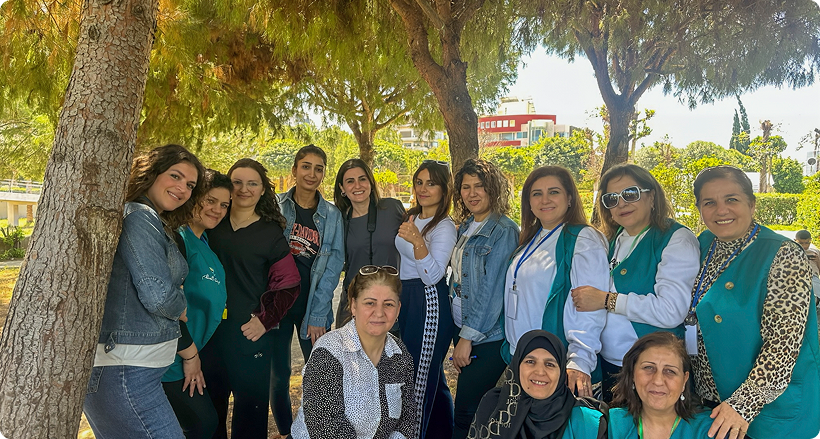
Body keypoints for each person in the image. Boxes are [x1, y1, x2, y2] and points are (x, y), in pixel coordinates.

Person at [688, 165, 820, 439]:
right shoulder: (703, 243)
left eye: (732, 199)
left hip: (763, 408)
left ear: (752, 203)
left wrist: (743, 404)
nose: (721, 210)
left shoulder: (783, 254)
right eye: (709, 202)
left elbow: (783, 344)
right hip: (709, 401)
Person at [84, 144, 205, 439]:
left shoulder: (154, 219)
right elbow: (158, 295)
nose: (183, 188)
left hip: (132, 370)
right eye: (175, 176)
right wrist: (180, 304)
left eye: (190, 185)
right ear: (152, 173)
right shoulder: (139, 216)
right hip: (124, 371)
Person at [572, 164, 700, 403]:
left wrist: (607, 300)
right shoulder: (614, 239)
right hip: (611, 365)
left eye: (630, 194)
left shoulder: (675, 239)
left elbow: (671, 310)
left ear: (651, 196)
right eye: (612, 199)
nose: (621, 203)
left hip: (653, 372)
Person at [204, 158, 300, 439]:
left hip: (249, 335)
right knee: (209, 416)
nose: (244, 189)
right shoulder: (211, 223)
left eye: (252, 183)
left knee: (250, 416)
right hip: (209, 335)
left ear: (262, 189)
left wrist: (266, 320)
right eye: (237, 182)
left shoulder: (270, 232)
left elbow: (289, 284)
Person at [502, 165, 609, 398]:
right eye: (536, 193)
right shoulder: (532, 238)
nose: (545, 199)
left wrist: (580, 360)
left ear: (570, 198)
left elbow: (589, 305)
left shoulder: (582, 238)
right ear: (529, 202)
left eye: (554, 192)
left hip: (556, 365)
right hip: (524, 360)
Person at [290, 265, 416, 438]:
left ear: (398, 309)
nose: (379, 313)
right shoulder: (328, 351)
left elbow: (408, 418)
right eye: (370, 303)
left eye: (388, 304)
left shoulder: (399, 354)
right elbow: (325, 429)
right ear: (353, 305)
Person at [274, 144, 345, 435]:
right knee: (278, 377)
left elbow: (333, 266)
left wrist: (317, 313)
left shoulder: (332, 215)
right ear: (294, 170)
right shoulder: (275, 207)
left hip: (312, 306)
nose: (311, 174)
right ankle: (287, 431)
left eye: (318, 169)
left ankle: (318, 429)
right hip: (277, 306)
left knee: (320, 374)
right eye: (306, 166)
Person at [449, 158, 520, 439]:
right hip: (463, 328)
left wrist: (467, 338)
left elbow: (492, 291)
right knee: (472, 409)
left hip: (486, 336)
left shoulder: (503, 230)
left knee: (466, 412)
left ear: (493, 189)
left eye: (479, 186)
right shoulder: (467, 225)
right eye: (466, 187)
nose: (472, 193)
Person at [161, 170, 232, 439]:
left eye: (224, 205)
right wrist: (189, 356)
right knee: (202, 423)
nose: (217, 210)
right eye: (210, 201)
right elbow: (168, 305)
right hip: (174, 356)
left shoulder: (204, 241)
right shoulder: (179, 240)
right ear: (194, 197)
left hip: (192, 353)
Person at [396, 160, 457, 439]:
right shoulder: (412, 216)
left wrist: (418, 241)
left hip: (428, 299)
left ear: (444, 189)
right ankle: (443, 432)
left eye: (431, 183)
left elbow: (433, 275)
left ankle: (414, 434)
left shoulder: (444, 226)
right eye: (419, 182)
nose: (423, 189)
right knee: (431, 375)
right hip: (408, 297)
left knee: (418, 380)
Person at [469, 330, 607, 439]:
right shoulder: (493, 405)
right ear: (516, 366)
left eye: (550, 364)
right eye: (530, 362)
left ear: (561, 373)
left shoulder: (587, 422)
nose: (540, 372)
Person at [333, 158, 405, 327]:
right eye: (350, 181)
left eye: (362, 179)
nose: (357, 186)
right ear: (342, 188)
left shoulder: (392, 208)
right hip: (354, 302)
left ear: (371, 182)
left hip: (389, 301)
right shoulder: (338, 219)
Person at [608, 332, 712, 439]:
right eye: (648, 367)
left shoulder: (710, 429)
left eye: (670, 371)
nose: (658, 381)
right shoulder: (609, 425)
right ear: (632, 373)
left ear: (684, 380)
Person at [795, 229, 820, 294]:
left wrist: (817, 261)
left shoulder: (816, 252)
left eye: (807, 243)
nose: (804, 246)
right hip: (797, 277)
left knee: (816, 293)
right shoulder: (792, 252)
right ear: (795, 241)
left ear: (810, 241)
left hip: (813, 277)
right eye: (801, 243)